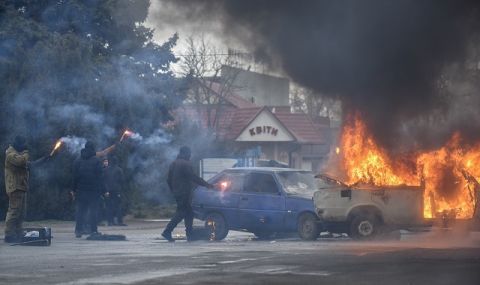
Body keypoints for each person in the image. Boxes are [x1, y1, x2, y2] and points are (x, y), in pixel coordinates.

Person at [162, 146, 213, 242]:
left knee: (189, 213)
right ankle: (167, 231)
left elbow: (168, 179)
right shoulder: (185, 164)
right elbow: (193, 177)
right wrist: (207, 185)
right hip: (184, 192)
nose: (190, 156)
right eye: (189, 153)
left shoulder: (174, 163)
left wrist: (173, 190)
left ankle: (189, 234)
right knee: (181, 212)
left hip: (178, 192)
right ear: (185, 153)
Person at [4, 135, 49, 243]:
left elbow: (30, 165)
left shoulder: (18, 155)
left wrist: (44, 159)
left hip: (21, 186)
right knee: (14, 211)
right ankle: (9, 234)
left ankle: (17, 232)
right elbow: (21, 162)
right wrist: (26, 152)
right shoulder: (11, 154)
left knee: (21, 213)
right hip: (15, 186)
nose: (24, 146)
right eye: (23, 144)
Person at [72, 141, 105, 238]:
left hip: (80, 191)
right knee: (93, 211)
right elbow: (100, 177)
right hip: (94, 191)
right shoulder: (97, 161)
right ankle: (93, 231)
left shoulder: (77, 161)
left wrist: (73, 190)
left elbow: (74, 177)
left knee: (80, 211)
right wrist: (104, 190)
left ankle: (78, 230)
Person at [103, 157, 127, 226]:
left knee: (109, 206)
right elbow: (122, 181)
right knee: (118, 206)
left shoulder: (105, 170)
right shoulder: (119, 170)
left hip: (108, 190)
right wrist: (121, 191)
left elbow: (103, 181)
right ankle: (119, 221)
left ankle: (110, 221)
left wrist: (105, 190)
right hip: (117, 190)